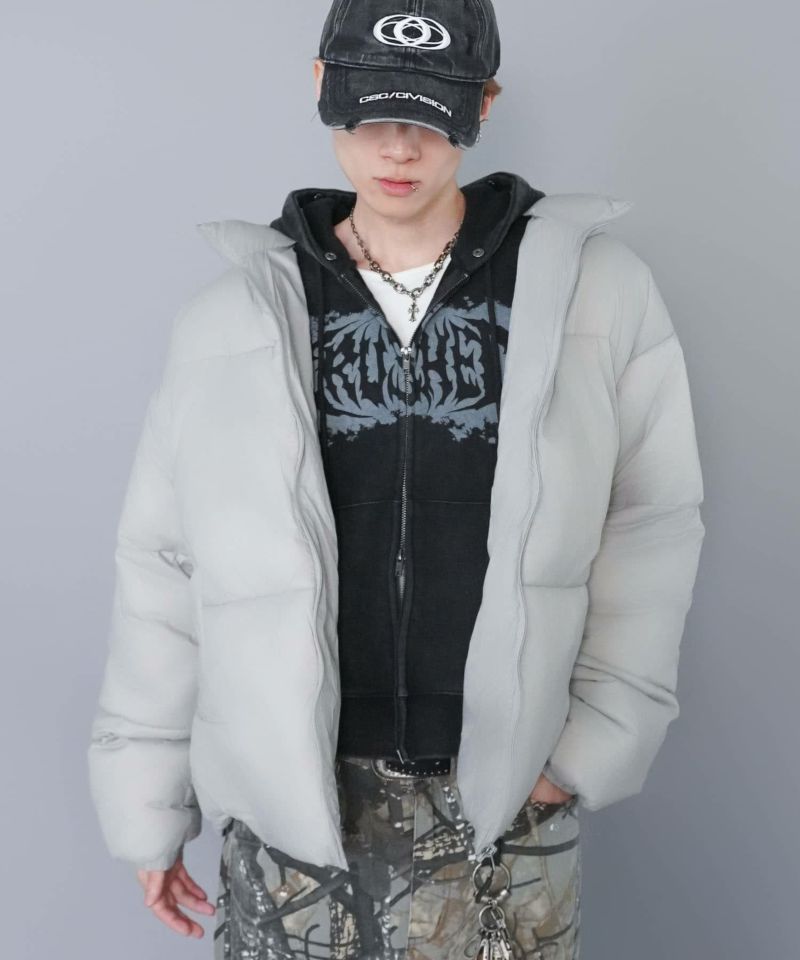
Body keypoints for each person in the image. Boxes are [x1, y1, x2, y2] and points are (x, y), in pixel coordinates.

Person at [87, 2, 706, 958]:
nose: (398, 147)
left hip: (507, 803)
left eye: (429, 113)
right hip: (293, 819)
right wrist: (148, 803)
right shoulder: (232, 315)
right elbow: (165, 562)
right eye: (373, 110)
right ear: (322, 88)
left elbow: (650, 523)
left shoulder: (596, 290)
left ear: (484, 103)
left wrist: (589, 747)